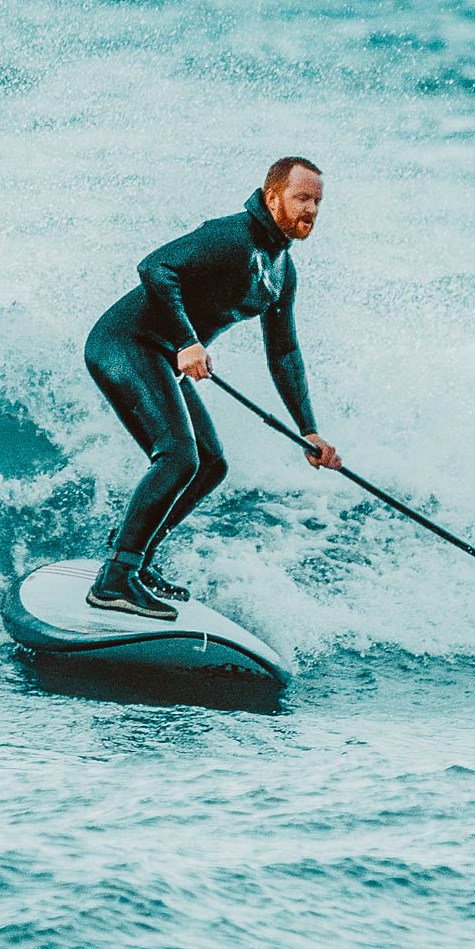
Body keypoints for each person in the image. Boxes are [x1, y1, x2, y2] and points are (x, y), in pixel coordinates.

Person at [83, 157, 342, 619]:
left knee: (211, 464)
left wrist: (309, 430)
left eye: (318, 201)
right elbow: (155, 266)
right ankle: (115, 580)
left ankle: (133, 563)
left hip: (159, 356)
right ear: (272, 197)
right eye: (302, 197)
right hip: (125, 343)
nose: (312, 209)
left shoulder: (281, 270)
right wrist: (188, 341)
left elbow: (283, 352)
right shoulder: (233, 236)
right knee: (180, 456)